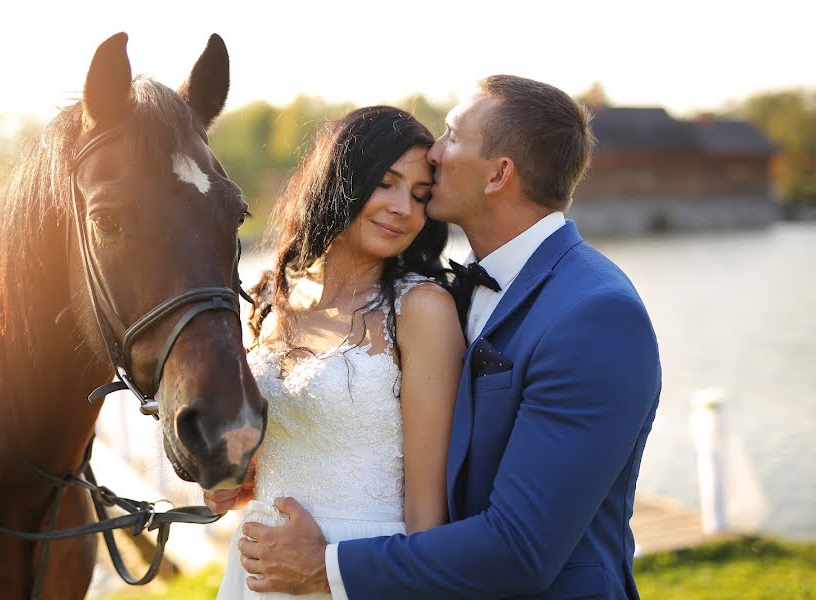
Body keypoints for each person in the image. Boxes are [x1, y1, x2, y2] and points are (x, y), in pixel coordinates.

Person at [217, 75, 662, 599]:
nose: (436, 151)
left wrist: (325, 568)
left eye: (451, 135)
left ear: (499, 174)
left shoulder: (594, 313)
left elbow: (521, 548)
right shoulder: (457, 285)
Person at [212, 106, 466, 599]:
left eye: (419, 196)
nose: (404, 209)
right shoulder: (273, 297)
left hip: (359, 575)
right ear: (341, 179)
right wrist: (228, 481)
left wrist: (329, 571)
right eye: (386, 183)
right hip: (255, 573)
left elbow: (428, 523)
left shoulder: (422, 311)